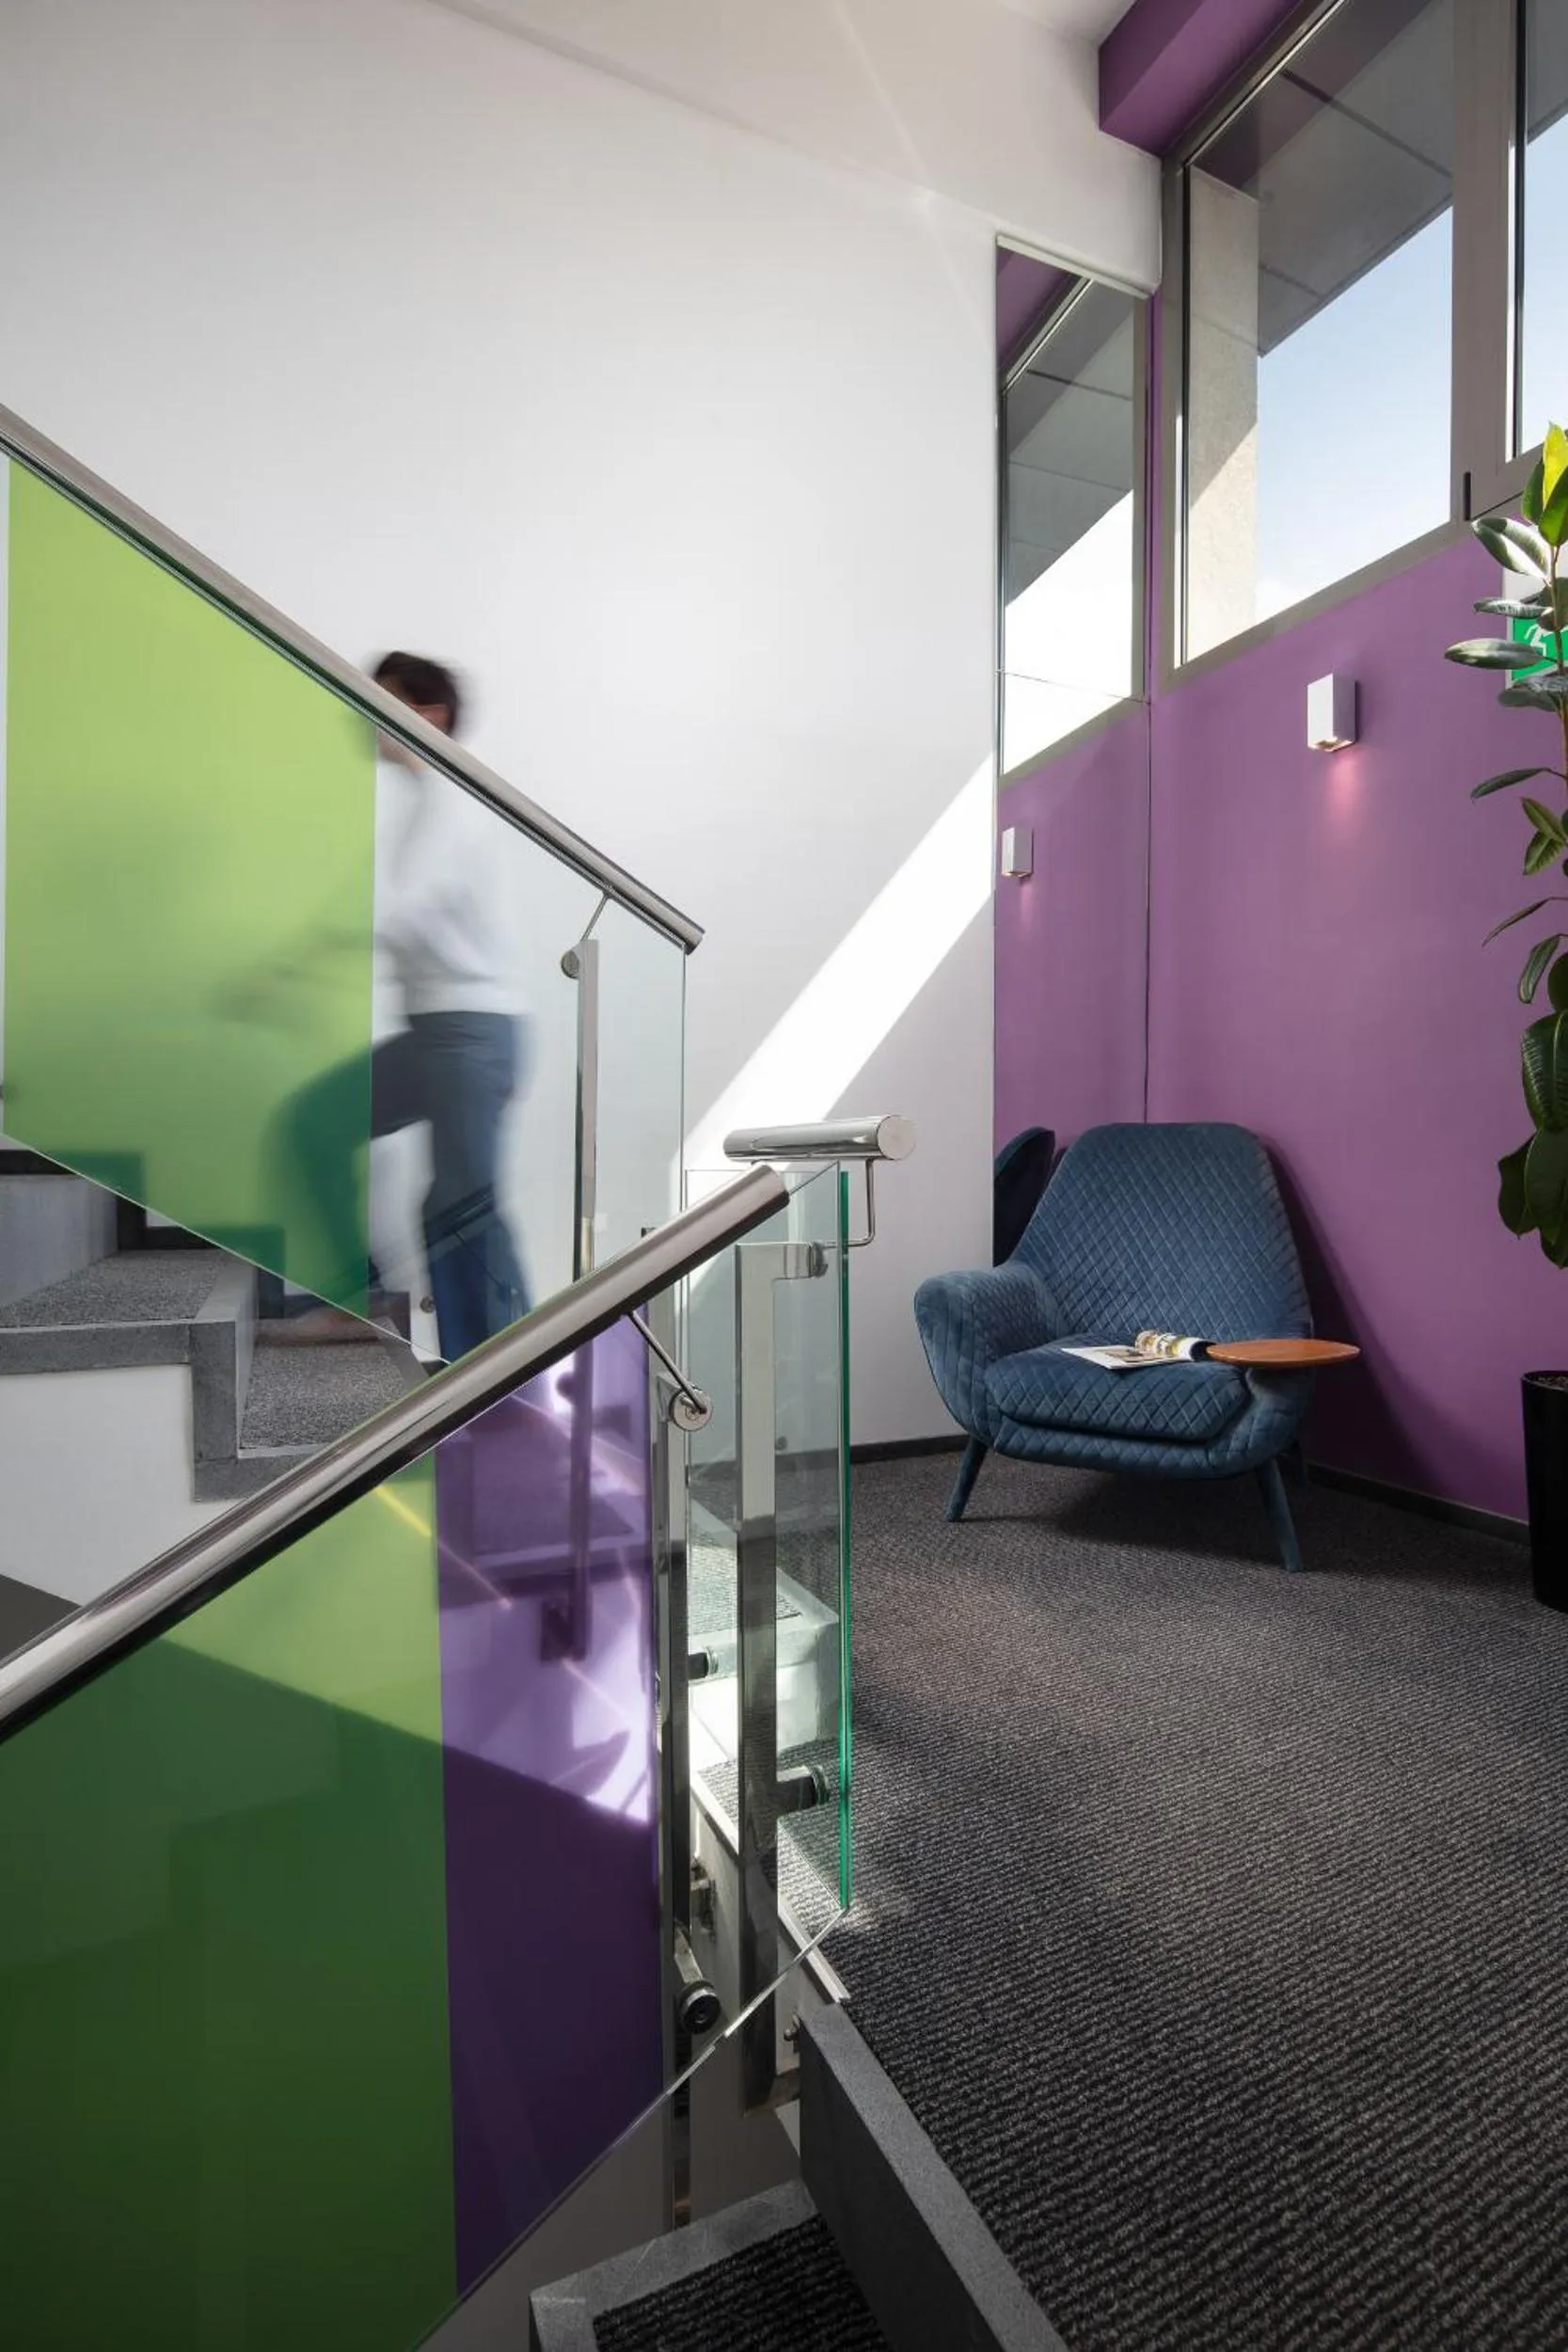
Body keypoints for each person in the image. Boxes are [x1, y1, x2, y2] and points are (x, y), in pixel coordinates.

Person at [283, 652, 529, 1361]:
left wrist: (298, 961)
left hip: (472, 1034)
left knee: (462, 1210)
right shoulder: (423, 805)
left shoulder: (453, 799)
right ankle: (360, 1300)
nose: (362, 715)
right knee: (316, 1123)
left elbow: (397, 907)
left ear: (427, 716)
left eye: (376, 700)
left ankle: (511, 1377)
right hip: (437, 1035)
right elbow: (390, 910)